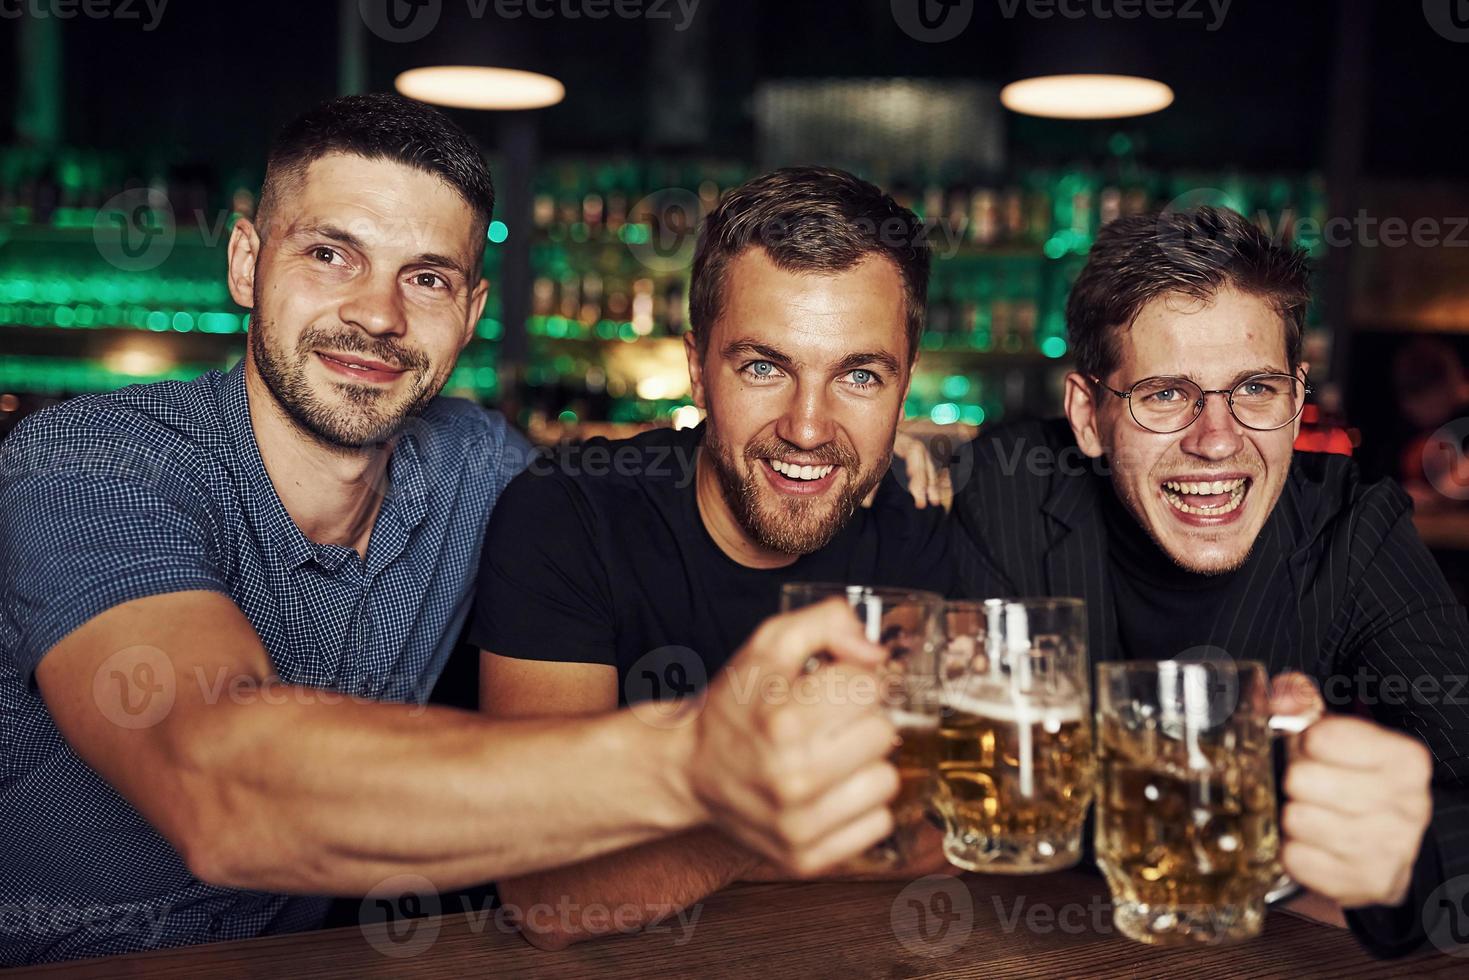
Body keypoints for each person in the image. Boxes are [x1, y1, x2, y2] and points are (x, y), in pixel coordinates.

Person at [0, 98, 906, 965]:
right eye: (330, 254)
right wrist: (698, 763)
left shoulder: (476, 468)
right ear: (245, 262)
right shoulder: (92, 467)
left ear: (470, 312)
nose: (378, 314)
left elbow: (662, 474)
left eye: (426, 277)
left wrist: (870, 457)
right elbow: (219, 790)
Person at [950, 205, 1469, 958]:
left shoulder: (1349, 524)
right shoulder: (1005, 494)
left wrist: (1399, 856)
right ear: (1089, 417)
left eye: (1254, 388)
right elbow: (984, 788)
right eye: (1165, 394)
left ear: (1295, 401)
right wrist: (1262, 795)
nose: (1217, 439)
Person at [469, 166, 959, 949]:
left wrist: (667, 852)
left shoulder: (929, 539)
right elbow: (552, 890)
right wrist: (795, 807)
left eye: (858, 375)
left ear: (904, 385)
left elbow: (959, 840)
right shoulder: (569, 512)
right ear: (698, 368)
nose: (806, 427)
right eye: (764, 367)